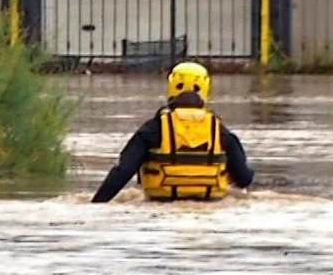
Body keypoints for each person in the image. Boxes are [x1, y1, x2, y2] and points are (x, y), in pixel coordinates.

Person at [91, 62, 255, 203]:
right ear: (206, 89)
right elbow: (244, 178)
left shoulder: (153, 128)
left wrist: (96, 203)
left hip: (161, 202)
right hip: (210, 203)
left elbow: (123, 172)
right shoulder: (219, 130)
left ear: (171, 87)